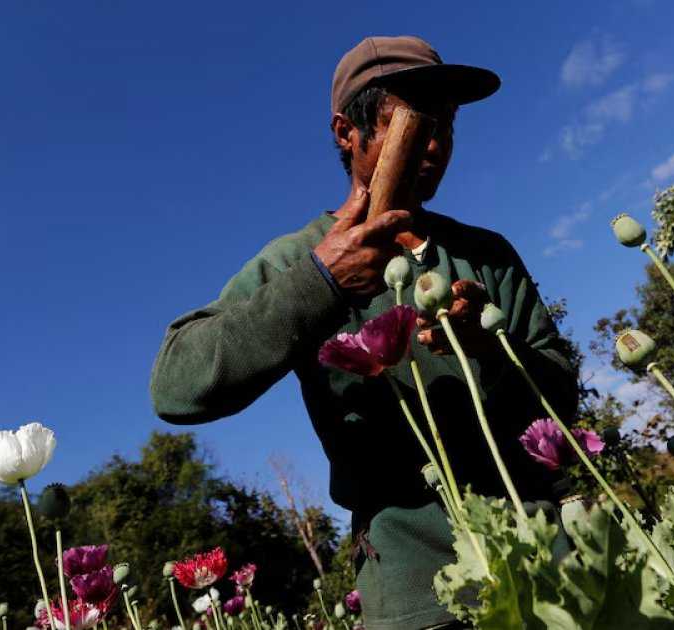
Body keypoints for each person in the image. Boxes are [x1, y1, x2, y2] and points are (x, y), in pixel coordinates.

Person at [150, 35, 578, 630]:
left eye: (447, 124)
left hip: (546, 563)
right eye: (411, 121)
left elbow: (562, 397)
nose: (435, 143)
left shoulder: (486, 255)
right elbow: (176, 384)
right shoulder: (298, 259)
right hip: (417, 592)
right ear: (345, 132)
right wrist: (323, 283)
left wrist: (489, 346)